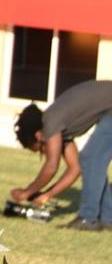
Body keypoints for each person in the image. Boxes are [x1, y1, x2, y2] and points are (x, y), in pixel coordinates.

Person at [11, 79, 112, 231]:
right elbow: (75, 168)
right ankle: (107, 219)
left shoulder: (50, 123)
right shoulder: (59, 126)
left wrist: (27, 192)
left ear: (38, 136)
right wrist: (48, 194)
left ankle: (88, 218)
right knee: (92, 161)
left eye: (40, 149)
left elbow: (51, 166)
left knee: (91, 159)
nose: (44, 151)